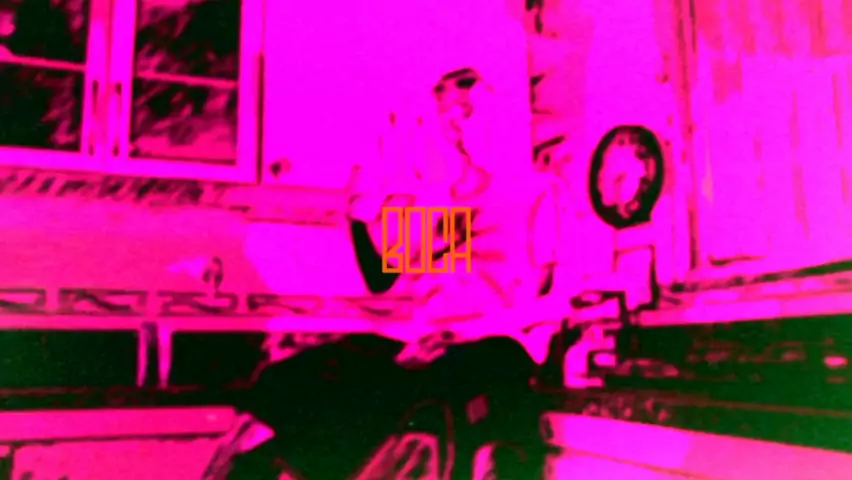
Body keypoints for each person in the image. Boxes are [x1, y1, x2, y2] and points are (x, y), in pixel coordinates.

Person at [218, 55, 572, 480]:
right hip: (427, 345)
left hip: (495, 348)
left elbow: (560, 301)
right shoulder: (441, 200)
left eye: (472, 111)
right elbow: (383, 278)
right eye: (451, 116)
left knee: (424, 404)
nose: (461, 125)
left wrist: (465, 333)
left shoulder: (538, 192)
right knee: (288, 379)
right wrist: (356, 219)